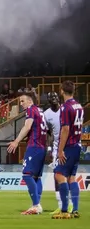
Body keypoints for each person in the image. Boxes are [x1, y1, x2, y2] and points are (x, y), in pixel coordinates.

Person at [7, 91, 47, 215]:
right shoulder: (40, 111)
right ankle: (37, 205)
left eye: (23, 101)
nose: (21, 104)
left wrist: (16, 141)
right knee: (36, 177)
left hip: (34, 146)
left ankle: (36, 205)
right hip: (42, 147)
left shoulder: (30, 110)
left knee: (27, 174)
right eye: (20, 102)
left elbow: (27, 127)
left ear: (30, 101)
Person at [52, 80, 84, 219]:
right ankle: (75, 209)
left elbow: (65, 129)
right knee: (72, 178)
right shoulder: (79, 106)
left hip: (69, 146)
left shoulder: (65, 107)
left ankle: (64, 210)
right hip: (77, 145)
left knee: (59, 175)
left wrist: (60, 150)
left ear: (62, 91)